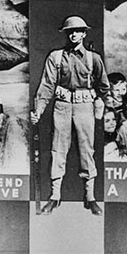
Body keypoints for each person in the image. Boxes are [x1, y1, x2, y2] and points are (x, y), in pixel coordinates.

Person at [31, 16, 110, 215]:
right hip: (62, 106)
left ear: (84, 33)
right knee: (58, 150)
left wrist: (99, 102)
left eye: (78, 31)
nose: (74, 34)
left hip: (85, 107)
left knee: (87, 150)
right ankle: (54, 197)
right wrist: (38, 110)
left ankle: (90, 197)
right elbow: (46, 86)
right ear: (66, 34)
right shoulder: (56, 57)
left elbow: (104, 86)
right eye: (70, 31)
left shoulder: (94, 58)